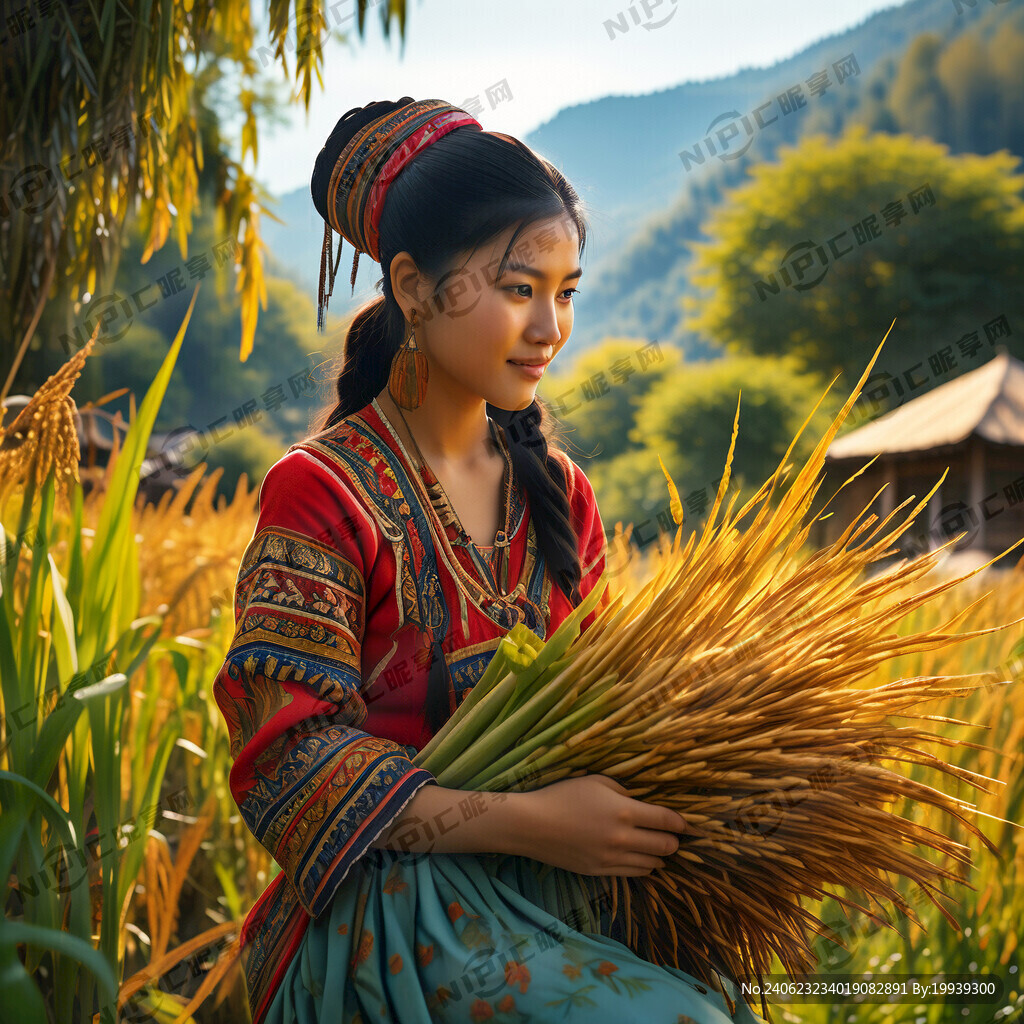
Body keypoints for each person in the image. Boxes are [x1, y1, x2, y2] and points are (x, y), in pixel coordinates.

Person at [212, 97, 766, 1024]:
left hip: (565, 889)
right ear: (414, 288)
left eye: (568, 291)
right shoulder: (321, 490)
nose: (551, 326)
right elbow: (289, 765)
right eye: (520, 288)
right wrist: (535, 825)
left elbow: (594, 709)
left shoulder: (561, 492)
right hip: (394, 912)